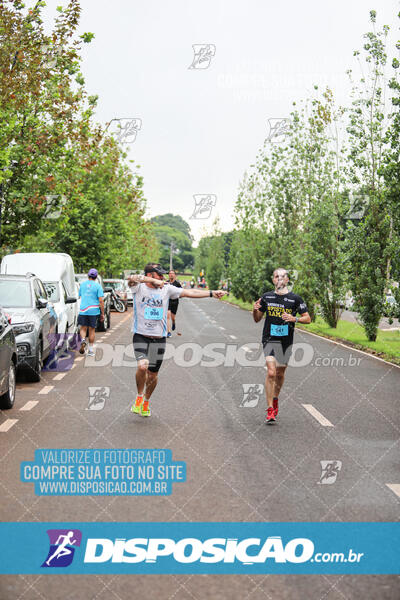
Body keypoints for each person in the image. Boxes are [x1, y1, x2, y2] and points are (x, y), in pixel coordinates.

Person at [128, 263, 226, 417]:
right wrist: (154, 282)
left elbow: (189, 292)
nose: (163, 277)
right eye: (159, 275)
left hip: (159, 339)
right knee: (142, 366)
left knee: (153, 375)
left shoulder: (167, 289)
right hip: (141, 335)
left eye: (163, 275)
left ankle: (146, 401)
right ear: (150, 275)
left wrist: (212, 293)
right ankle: (139, 398)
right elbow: (132, 278)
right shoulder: (138, 288)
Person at [252, 268, 311, 424]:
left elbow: (308, 318)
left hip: (285, 340)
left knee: (279, 374)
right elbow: (257, 319)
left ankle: (275, 398)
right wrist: (255, 310)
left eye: (282, 276)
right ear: (273, 280)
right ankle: (270, 409)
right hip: (269, 339)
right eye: (276, 276)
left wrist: (294, 319)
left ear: (287, 280)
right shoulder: (266, 297)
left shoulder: (295, 299)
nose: (279, 279)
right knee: (271, 372)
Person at [78, 268, 104, 357]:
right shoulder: (98, 286)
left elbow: (80, 296)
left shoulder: (82, 285)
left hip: (83, 310)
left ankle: (82, 340)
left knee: (83, 328)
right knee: (92, 330)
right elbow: (101, 301)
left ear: (88, 275)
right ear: (96, 277)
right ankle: (90, 350)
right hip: (94, 310)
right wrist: (102, 313)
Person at [167, 269, 182, 337]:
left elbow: (181, 292)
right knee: (168, 316)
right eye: (170, 273)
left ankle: (173, 322)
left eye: (172, 273)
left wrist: (179, 295)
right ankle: (169, 332)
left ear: (175, 275)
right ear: (168, 275)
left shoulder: (177, 284)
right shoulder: (166, 283)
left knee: (172, 317)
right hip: (168, 301)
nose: (171, 274)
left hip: (175, 302)